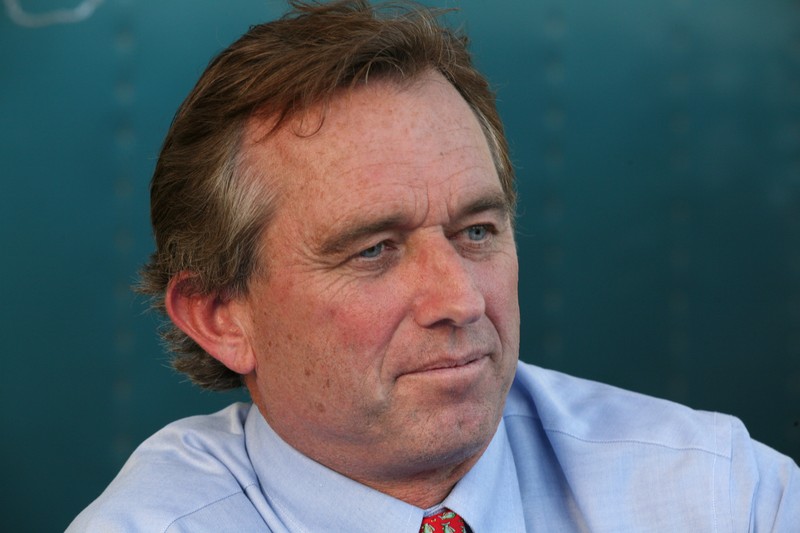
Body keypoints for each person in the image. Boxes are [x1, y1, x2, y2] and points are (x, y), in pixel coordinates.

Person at [68, 1, 799, 531]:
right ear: (221, 315)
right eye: (374, 249)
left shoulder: (719, 493)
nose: (461, 299)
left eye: (477, 230)